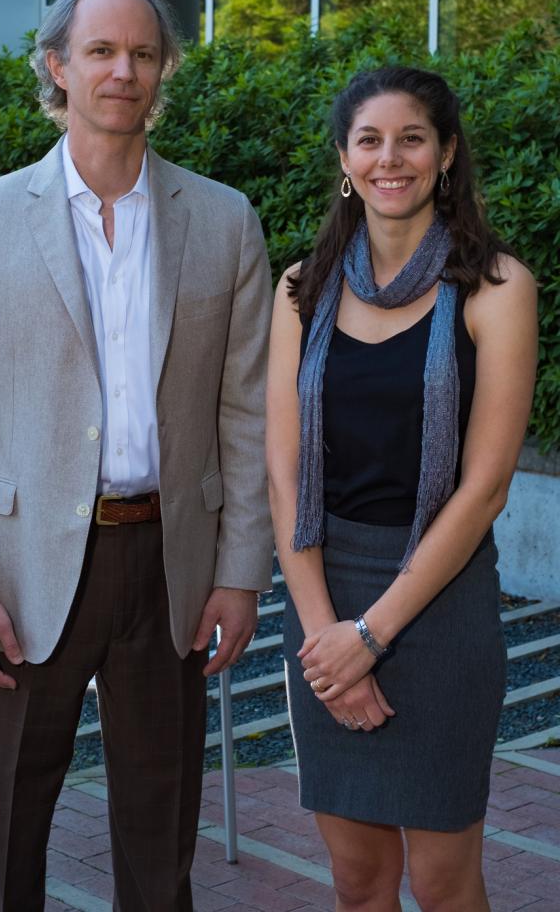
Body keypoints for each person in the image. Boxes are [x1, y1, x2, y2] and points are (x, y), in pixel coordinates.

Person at [0, 0, 274, 912]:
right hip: (28, 566)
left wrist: (242, 572)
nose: (125, 70)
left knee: (162, 833)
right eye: (102, 51)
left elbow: (246, 414)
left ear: (163, 73)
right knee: (8, 824)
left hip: (173, 564)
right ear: (58, 67)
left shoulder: (225, 221)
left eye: (144, 53)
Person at [266, 66, 537, 911]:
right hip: (323, 593)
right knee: (358, 880)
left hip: (441, 603)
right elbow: (284, 472)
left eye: (413, 138)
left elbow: (486, 487)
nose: (392, 158)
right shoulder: (300, 287)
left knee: (446, 882)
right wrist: (328, 646)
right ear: (344, 160)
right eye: (370, 140)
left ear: (446, 154)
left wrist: (370, 638)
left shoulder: (496, 288)